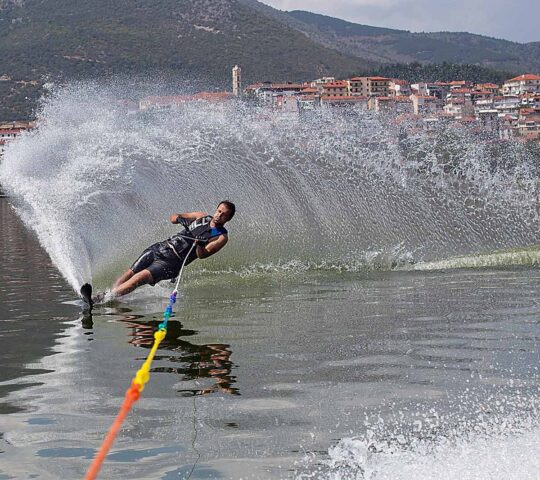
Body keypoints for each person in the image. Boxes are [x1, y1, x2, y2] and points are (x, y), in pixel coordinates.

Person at [81, 200, 235, 308]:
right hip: (161, 248)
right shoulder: (201, 216)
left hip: (172, 262)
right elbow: (173, 217)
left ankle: (100, 300)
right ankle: (111, 296)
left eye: (223, 215)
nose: (218, 215)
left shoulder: (221, 237)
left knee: (138, 278)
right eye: (218, 211)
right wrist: (181, 219)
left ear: (228, 218)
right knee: (130, 272)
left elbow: (202, 255)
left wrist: (200, 243)